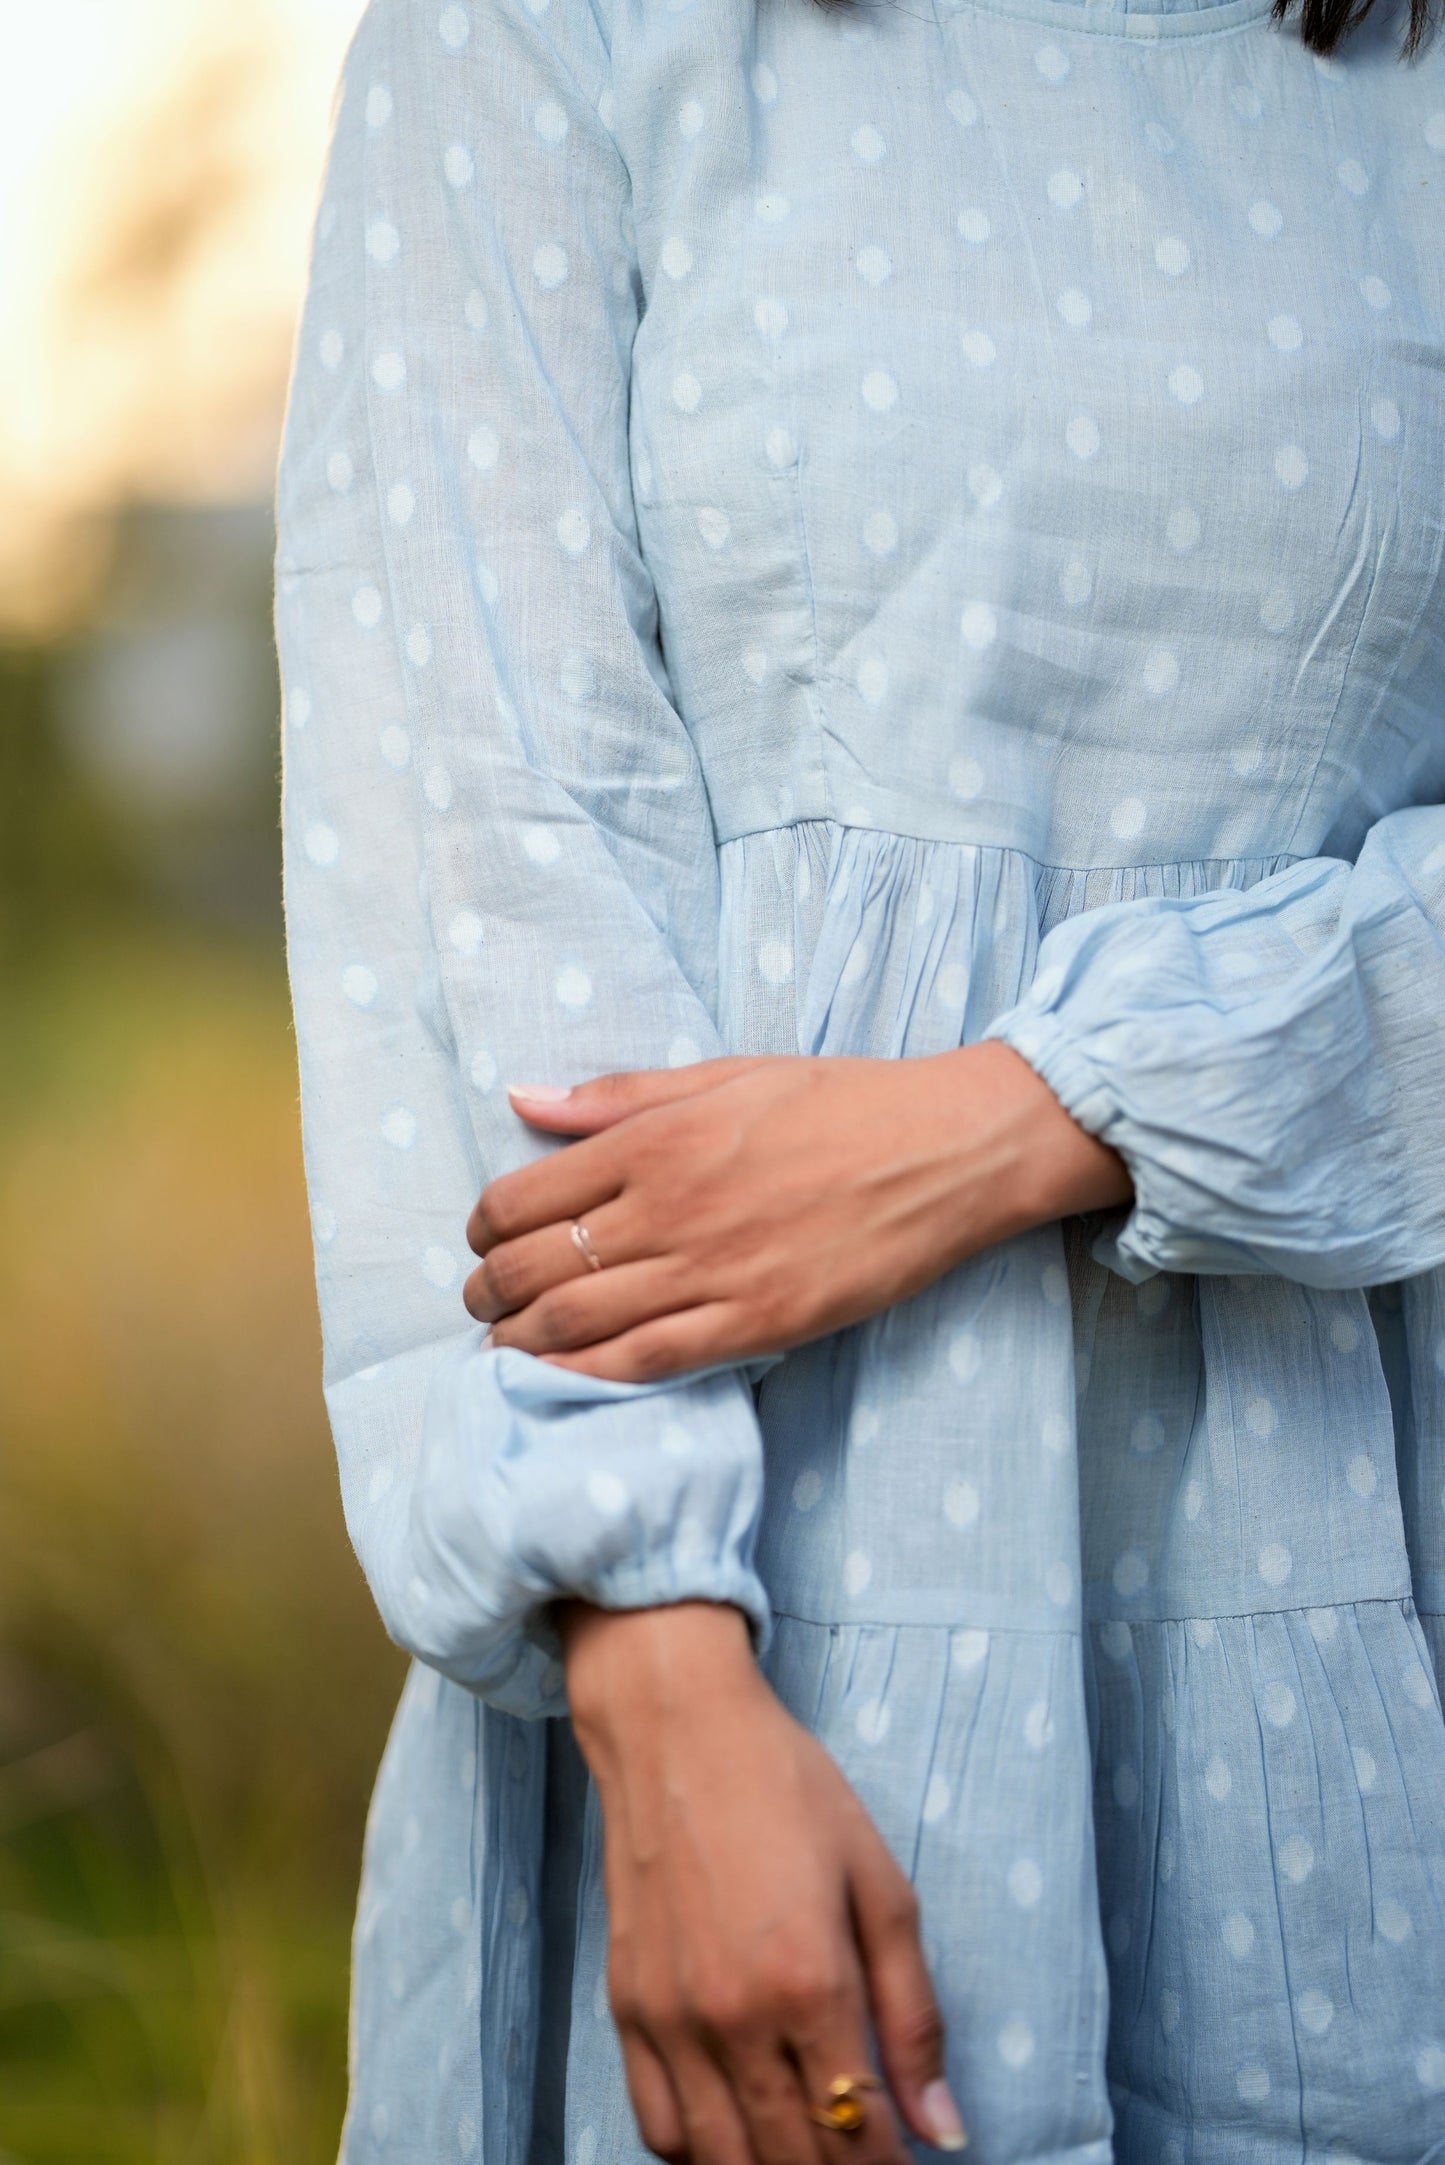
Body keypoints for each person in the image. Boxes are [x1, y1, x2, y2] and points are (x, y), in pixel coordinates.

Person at [273, 0, 1445, 2151]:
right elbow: (482, 818)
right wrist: (655, 1665)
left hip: (1362, 1569)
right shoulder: (544, 30)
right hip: (775, 1604)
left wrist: (1037, 1114)